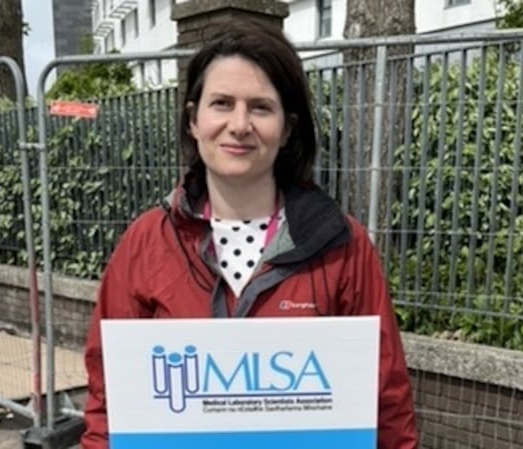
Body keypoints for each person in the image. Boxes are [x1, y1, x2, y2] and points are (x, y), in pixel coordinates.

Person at [81, 18, 418, 449]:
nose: (240, 125)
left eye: (261, 107)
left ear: (288, 127)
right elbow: (110, 398)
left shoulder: (342, 245)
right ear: (193, 119)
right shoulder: (146, 243)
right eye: (221, 103)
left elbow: (386, 399)